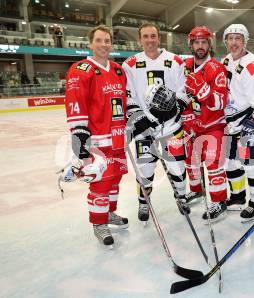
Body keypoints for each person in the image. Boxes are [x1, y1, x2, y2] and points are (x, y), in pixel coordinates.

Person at [62, 25, 130, 246]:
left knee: (115, 180)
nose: (104, 45)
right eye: (99, 41)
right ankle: (98, 224)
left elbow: (123, 103)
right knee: (100, 183)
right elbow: (75, 103)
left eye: (107, 41)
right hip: (97, 141)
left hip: (118, 137)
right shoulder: (80, 69)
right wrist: (80, 135)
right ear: (91, 44)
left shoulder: (119, 70)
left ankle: (109, 212)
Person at [122, 22, 189, 223]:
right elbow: (129, 96)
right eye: (146, 36)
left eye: (153, 36)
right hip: (145, 129)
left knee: (177, 166)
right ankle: (144, 201)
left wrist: (168, 113)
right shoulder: (130, 64)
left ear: (159, 38)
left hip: (172, 127)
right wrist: (140, 119)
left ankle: (181, 196)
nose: (150, 40)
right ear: (140, 39)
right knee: (145, 169)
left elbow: (183, 94)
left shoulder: (175, 61)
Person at [222, 24, 254, 220]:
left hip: (248, 122)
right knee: (231, 163)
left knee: (252, 165)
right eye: (230, 38)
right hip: (230, 123)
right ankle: (237, 197)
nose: (234, 42)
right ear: (226, 41)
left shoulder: (253, 64)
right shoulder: (226, 60)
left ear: (244, 41)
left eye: (238, 38)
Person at [181, 26, 229, 221]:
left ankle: (219, 201)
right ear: (191, 44)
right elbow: (180, 95)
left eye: (204, 42)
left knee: (213, 163)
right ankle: (197, 190)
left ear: (209, 44)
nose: (200, 46)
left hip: (213, 125)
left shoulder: (216, 68)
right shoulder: (184, 66)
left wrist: (204, 92)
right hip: (191, 126)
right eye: (196, 42)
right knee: (191, 163)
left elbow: (220, 103)